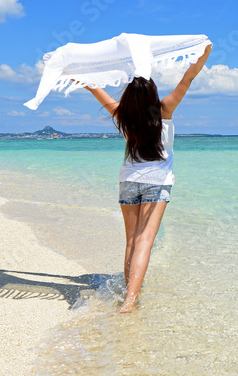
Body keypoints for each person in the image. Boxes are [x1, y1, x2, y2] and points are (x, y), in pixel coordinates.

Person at [84, 43, 211, 312]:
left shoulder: (124, 114)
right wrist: (204, 53)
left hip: (128, 181)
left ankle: (128, 291)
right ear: (153, 93)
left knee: (132, 240)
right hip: (157, 182)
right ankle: (131, 300)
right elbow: (187, 79)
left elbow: (94, 88)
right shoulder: (165, 109)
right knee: (144, 241)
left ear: (130, 97)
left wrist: (79, 74)